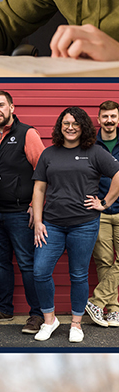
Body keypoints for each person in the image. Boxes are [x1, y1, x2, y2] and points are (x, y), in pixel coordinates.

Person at [30, 107, 119, 342]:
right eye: (66, 123)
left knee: (78, 275)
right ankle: (49, 320)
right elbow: (39, 188)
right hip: (52, 225)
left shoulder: (95, 152)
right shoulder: (49, 154)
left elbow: (117, 173)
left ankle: (76, 324)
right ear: (60, 126)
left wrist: (105, 202)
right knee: (39, 272)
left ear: (83, 127)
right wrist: (38, 222)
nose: (70, 127)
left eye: (76, 123)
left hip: (84, 224)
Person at [0, 91, 46, 335]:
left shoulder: (27, 133)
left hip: (20, 212)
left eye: (1, 105)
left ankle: (38, 314)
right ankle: (4, 308)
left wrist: (34, 207)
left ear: (11, 107)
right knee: (0, 263)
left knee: (28, 264)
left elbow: (43, 171)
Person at [87, 101, 119, 327]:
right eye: (105, 117)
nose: (109, 121)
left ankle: (97, 301)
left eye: (113, 117)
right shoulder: (90, 145)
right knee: (105, 262)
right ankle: (114, 310)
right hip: (100, 212)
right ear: (99, 120)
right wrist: (101, 203)